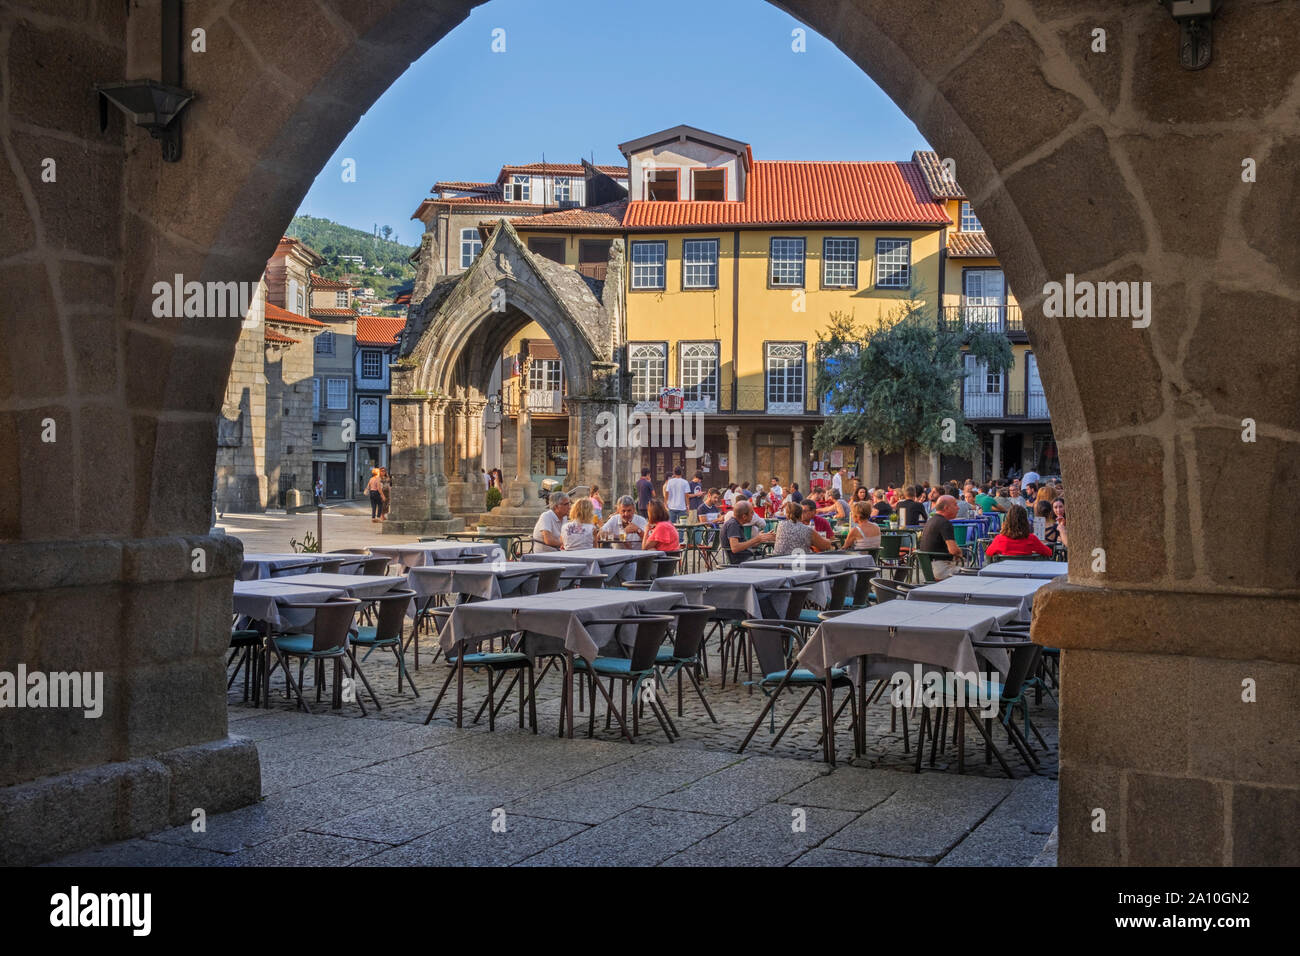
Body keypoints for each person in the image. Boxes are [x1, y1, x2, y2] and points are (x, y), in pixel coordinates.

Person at [917, 494, 962, 579]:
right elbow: (953, 550)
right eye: (955, 505)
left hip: (928, 570)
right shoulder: (945, 523)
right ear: (946, 508)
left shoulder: (931, 521)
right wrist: (959, 552)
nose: (958, 508)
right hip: (942, 570)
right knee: (973, 575)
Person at [985, 504, 1053, 558]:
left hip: (1005, 573)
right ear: (1025, 521)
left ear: (1007, 521)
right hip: (1027, 573)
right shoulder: (1032, 539)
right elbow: (1049, 552)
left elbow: (988, 552)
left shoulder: (999, 539)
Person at [722, 500, 774, 564]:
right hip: (741, 561)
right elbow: (735, 548)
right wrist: (757, 539)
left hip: (746, 558)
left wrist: (761, 539)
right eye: (752, 513)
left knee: (773, 558)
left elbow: (745, 545)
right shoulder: (733, 525)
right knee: (773, 560)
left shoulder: (736, 524)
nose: (753, 515)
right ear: (744, 516)